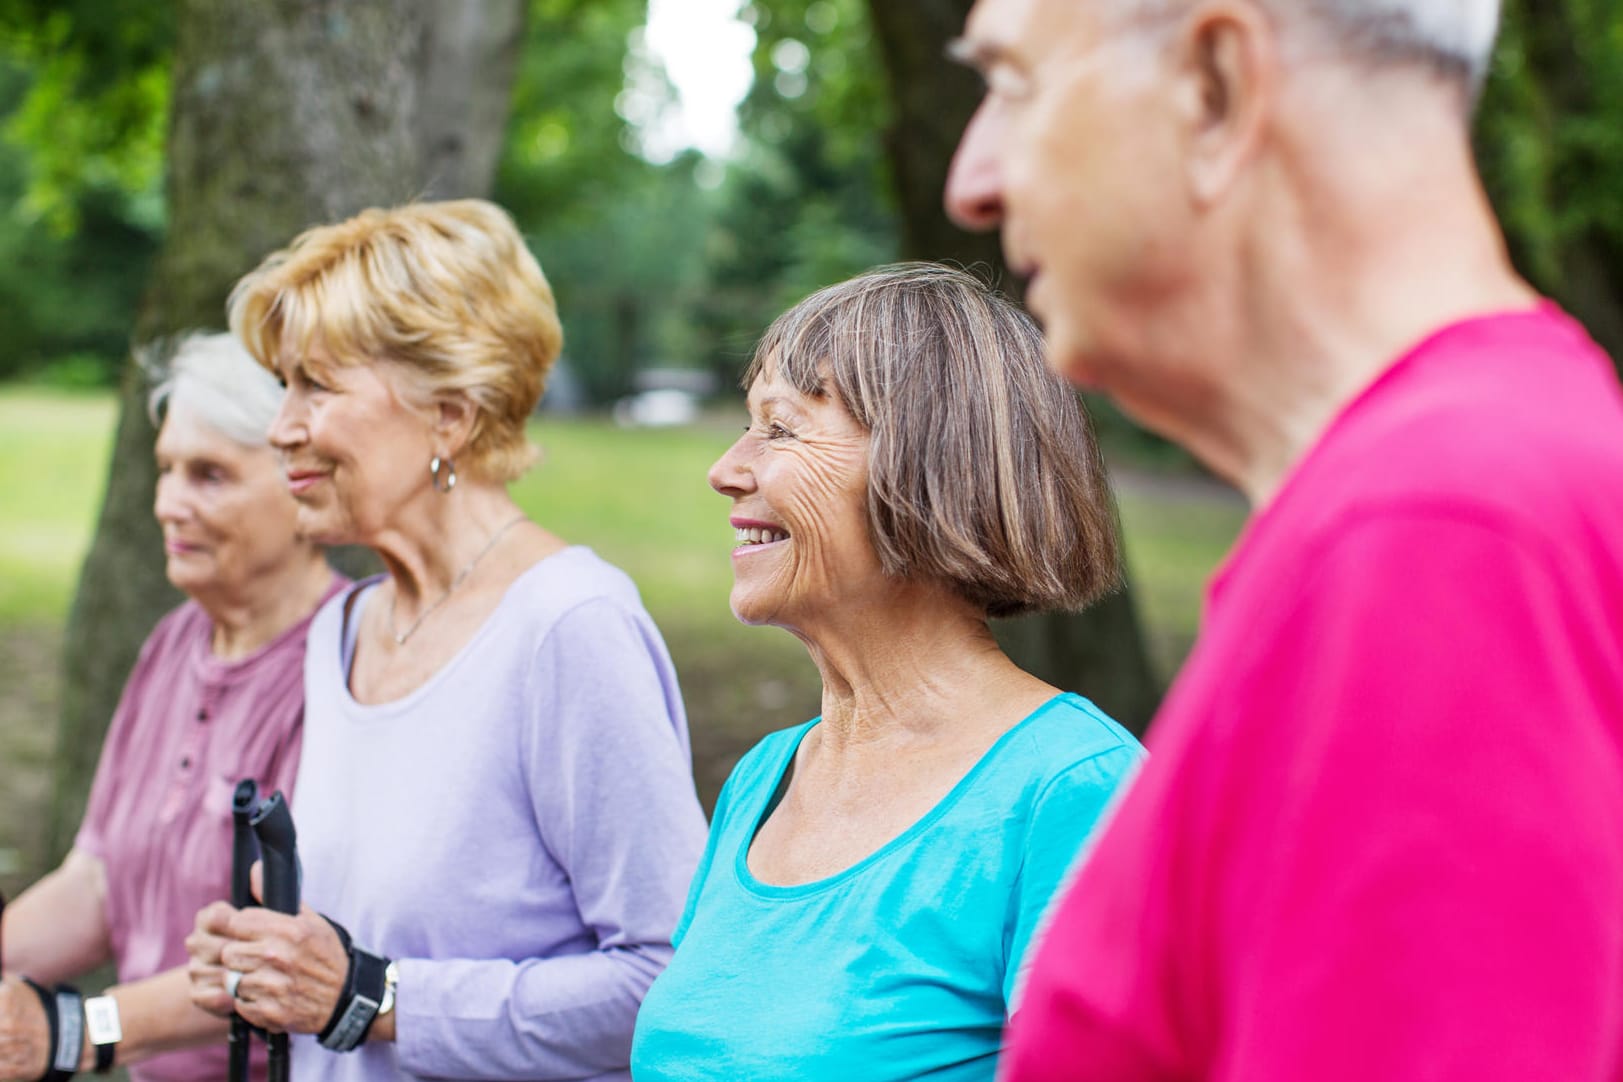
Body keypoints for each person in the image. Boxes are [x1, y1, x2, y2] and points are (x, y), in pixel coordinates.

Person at [945, 1, 1623, 1079]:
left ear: (1214, 89)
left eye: (1016, 85)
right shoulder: (1443, 495)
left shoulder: (1435, 539)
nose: (970, 180)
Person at [182, 199, 709, 1082]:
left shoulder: (570, 628)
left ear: (451, 417)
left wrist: (374, 997)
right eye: (284, 388)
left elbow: (669, 981)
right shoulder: (342, 630)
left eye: (317, 384)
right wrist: (269, 955)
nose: (282, 428)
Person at [630, 263, 1144, 1080]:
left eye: (781, 428)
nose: (726, 469)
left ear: (929, 464)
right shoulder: (766, 780)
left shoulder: (1072, 791)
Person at [0, 333, 343, 1082]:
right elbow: (98, 881)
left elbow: (285, 958)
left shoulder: (348, 662)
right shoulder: (174, 643)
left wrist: (72, 1030)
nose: (167, 504)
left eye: (208, 475)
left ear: (301, 481)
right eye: (165, 471)